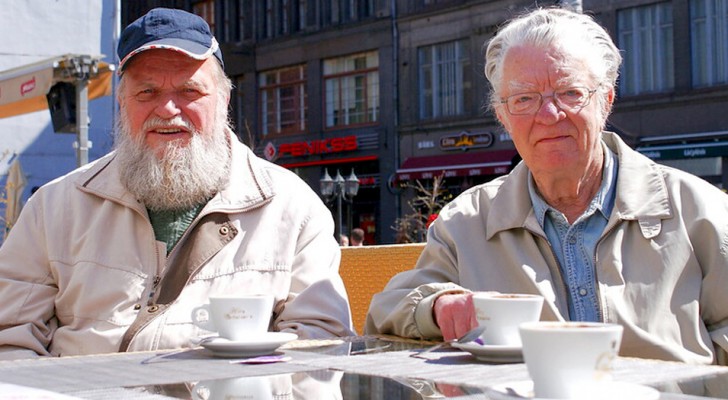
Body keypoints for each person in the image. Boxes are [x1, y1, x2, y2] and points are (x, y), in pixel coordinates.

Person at [366, 7, 728, 365]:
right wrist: (439, 305)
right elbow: (388, 312)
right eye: (524, 98)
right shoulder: (466, 222)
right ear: (503, 116)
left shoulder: (698, 211)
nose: (548, 115)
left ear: (606, 100)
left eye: (569, 92)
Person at [0, 8, 353, 360]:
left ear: (224, 100)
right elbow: (9, 337)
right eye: (147, 92)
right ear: (122, 103)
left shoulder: (292, 208)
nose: (168, 108)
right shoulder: (53, 208)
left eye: (189, 90)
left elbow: (319, 344)